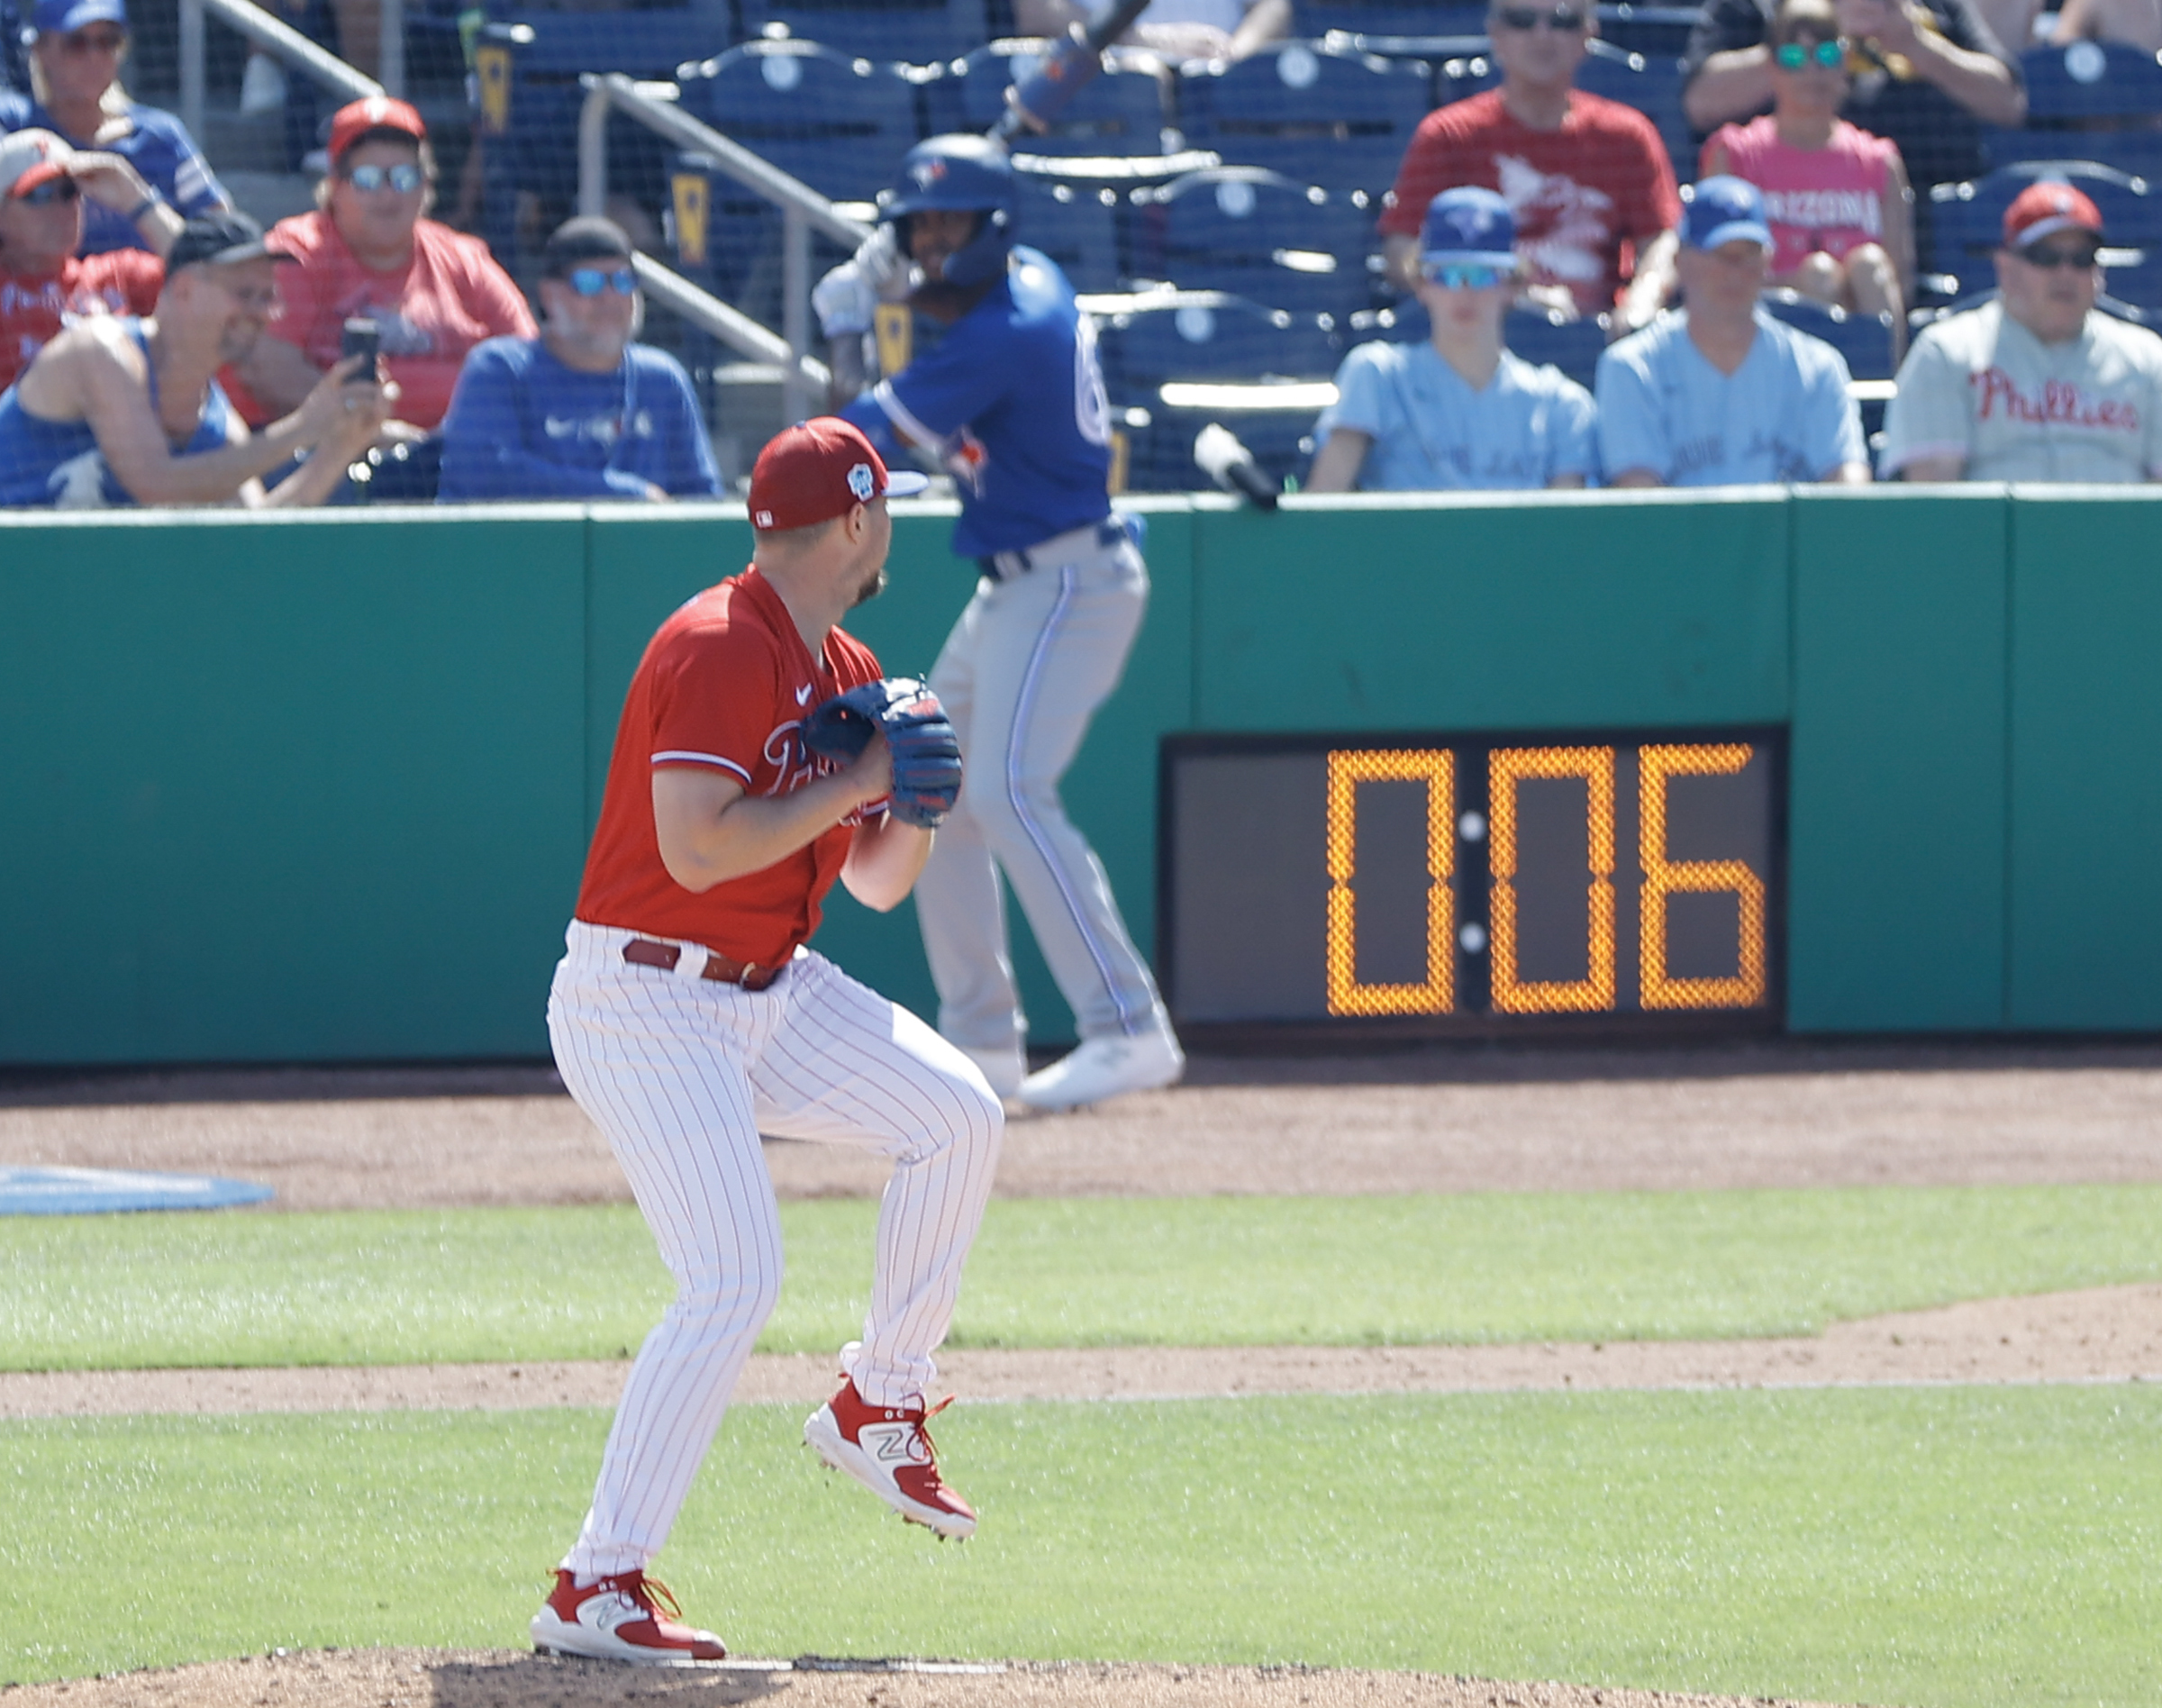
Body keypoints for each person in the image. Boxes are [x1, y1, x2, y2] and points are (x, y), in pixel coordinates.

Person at [531, 416, 1001, 1667]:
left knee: (958, 1115)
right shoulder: (717, 643)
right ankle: (597, 1582)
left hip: (768, 991)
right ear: (854, 522)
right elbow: (695, 847)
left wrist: (920, 804)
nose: (890, 524)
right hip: (644, 999)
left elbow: (876, 886)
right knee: (734, 1276)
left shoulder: (842, 654)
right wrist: (857, 784)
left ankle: (878, 1400)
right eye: (884, 506)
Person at [824, 134, 1184, 1113]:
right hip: (1017, 584)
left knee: (1010, 790)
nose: (932, 248)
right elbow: (949, 297)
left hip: (1072, 579)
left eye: (950, 228)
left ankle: (1128, 1025)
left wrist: (852, 327)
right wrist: (902, 279)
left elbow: (843, 445)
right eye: (920, 229)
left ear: (994, 228)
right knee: (930, 784)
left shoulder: (1008, 330)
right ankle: (981, 1046)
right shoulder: (1024, 280)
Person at [0, 210, 390, 506]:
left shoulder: (217, 424)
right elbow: (155, 482)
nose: (260, 313)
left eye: (266, 297)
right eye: (244, 293)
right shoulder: (101, 350)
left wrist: (340, 448)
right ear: (184, 290)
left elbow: (252, 534)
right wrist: (305, 426)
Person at [222, 96, 534, 449]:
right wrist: (372, 431)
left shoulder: (465, 260)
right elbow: (269, 370)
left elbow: (528, 363)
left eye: (403, 177)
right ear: (334, 188)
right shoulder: (298, 253)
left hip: (459, 454)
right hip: (324, 456)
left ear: (427, 187)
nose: (388, 195)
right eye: (368, 179)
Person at [1378, 0, 1680, 338]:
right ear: (1496, 33)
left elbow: (1663, 239)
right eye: (1521, 20)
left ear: (1589, 33)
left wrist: (1643, 301)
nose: (1542, 35)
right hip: (1477, 342)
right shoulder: (1449, 135)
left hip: (1597, 341)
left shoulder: (1627, 136)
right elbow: (1400, 249)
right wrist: (1497, 294)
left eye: (1563, 20)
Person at [1309, 186, 1598, 492]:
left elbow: (1566, 533)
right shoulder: (1376, 377)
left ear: (1512, 287)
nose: (1464, 291)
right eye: (1446, 274)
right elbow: (1322, 507)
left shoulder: (1562, 405)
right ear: (1421, 284)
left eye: (1483, 274)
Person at [1595, 176, 1870, 486]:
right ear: (1680, 262)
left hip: (1788, 535)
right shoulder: (1633, 369)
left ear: (1768, 262)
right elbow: (1641, 509)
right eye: (1721, 255)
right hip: (1682, 536)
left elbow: (1846, 490)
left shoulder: (1818, 367)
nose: (1735, 272)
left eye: (1749, 256)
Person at [1882, 181, 2162, 482]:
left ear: (2099, 274)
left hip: (2117, 530)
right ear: (2006, 268)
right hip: (1992, 530)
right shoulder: (1947, 354)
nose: (2065, 273)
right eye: (2046, 257)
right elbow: (1935, 507)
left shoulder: (2147, 361)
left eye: (2081, 259)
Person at [437, 218, 720, 503]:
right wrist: (624, 495)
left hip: (641, 547)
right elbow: (482, 474)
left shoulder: (662, 379)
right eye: (589, 283)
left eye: (623, 281)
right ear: (549, 295)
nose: (609, 297)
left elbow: (702, 493)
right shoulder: (500, 369)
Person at [1701, 0, 1914, 350]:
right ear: (1771, 67)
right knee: (1819, 274)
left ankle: (1886, 390)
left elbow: (1901, 280)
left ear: (1846, 61)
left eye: (1827, 56)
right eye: (1794, 59)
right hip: (1763, 339)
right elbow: (1713, 273)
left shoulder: (1880, 162)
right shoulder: (1735, 155)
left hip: (1862, 330)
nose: (1812, 72)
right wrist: (1804, 286)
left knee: (1870, 267)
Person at [1684, 0, 2023, 195]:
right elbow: (1702, 101)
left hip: (1927, 209)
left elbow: (2009, 103)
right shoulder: (1759, 7)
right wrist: (1815, 36)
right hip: (1786, 206)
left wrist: (1917, 45)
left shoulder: (1935, 7)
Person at [0, 0, 230, 259]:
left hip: (156, 296)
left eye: (108, 42)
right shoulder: (11, 125)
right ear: (40, 49)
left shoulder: (160, 135)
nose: (95, 57)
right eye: (77, 43)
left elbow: (222, 250)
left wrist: (137, 200)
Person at [0, 125, 183, 390]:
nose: (61, 209)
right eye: (40, 196)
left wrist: (136, 199)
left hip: (123, 425)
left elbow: (215, 278)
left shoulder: (119, 274)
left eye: (70, 191)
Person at [1014, 0, 1290, 60]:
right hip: (1110, 79)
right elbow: (1036, 8)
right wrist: (1145, 40)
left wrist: (1232, 57)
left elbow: (1272, 6)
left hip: (1223, 96)